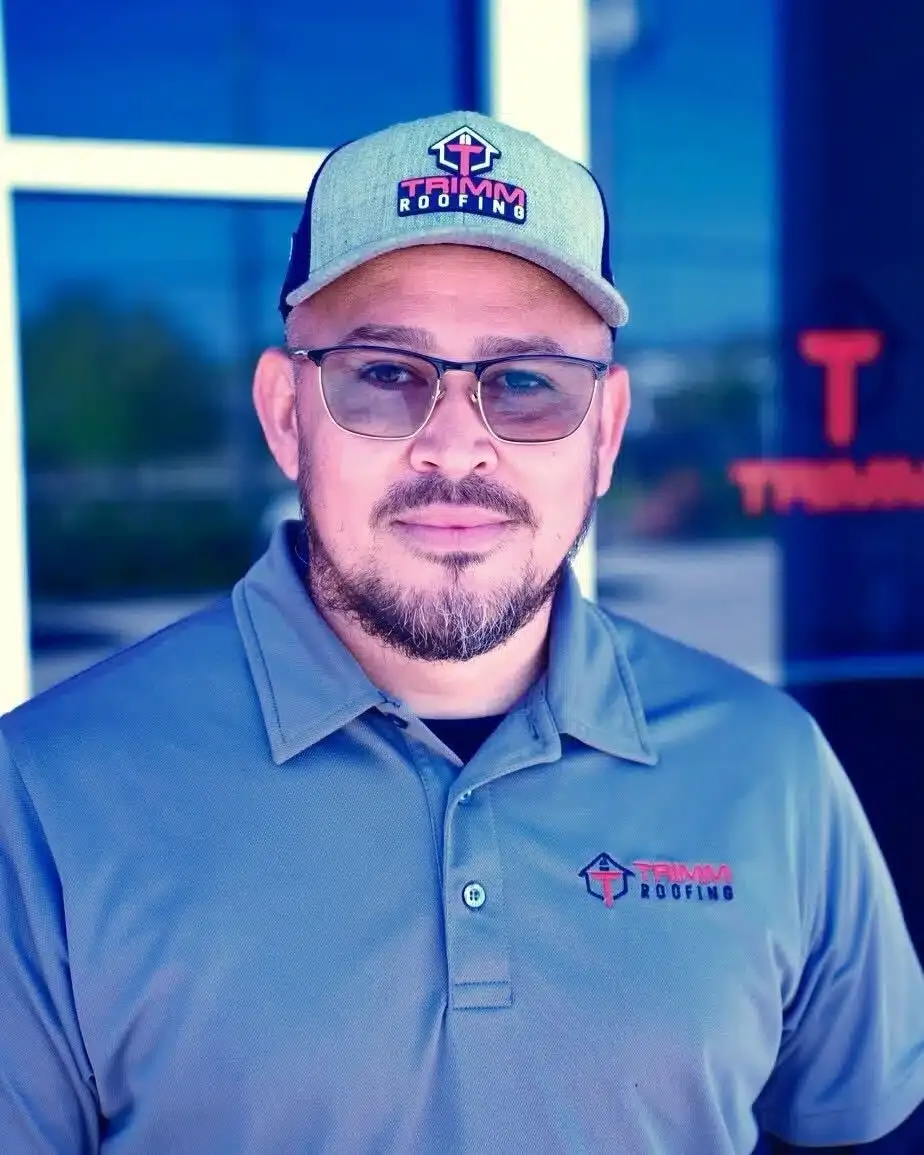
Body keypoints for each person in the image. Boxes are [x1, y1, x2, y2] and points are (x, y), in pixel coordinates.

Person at [1, 111, 922, 1155]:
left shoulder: (769, 769)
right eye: (385, 373)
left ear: (607, 433)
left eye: (526, 383)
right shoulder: (47, 797)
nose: (456, 446)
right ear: (283, 411)